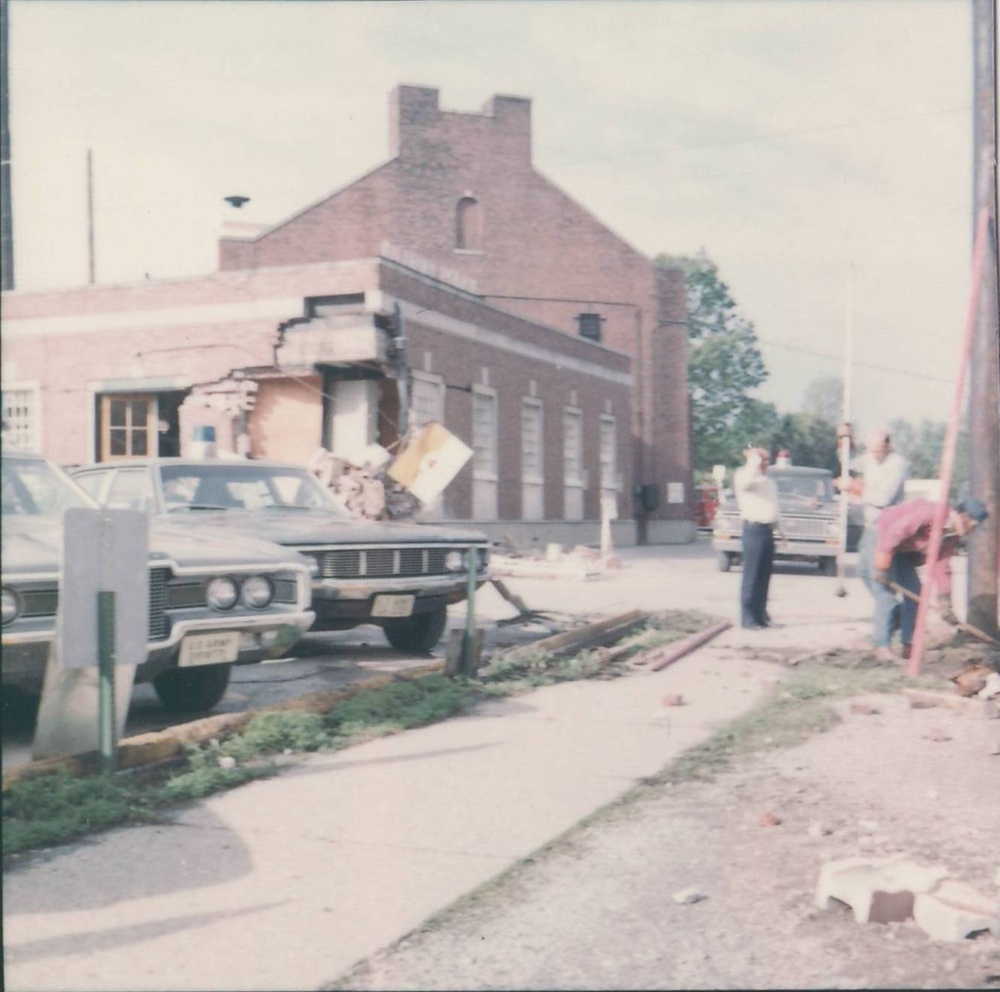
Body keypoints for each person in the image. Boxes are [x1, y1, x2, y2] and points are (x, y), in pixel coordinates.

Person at [873, 497, 989, 661]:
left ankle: (910, 647)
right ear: (964, 517)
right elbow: (896, 531)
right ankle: (881, 647)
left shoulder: (951, 535)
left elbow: (941, 566)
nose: (973, 530)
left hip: (901, 551)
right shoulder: (933, 513)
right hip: (880, 539)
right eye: (974, 525)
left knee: (916, 595)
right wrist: (881, 566)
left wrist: (945, 603)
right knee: (885, 595)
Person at [835, 428, 908, 651]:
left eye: (878, 450)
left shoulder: (897, 464)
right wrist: (844, 440)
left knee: (880, 585)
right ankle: (893, 613)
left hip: (887, 529)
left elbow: (883, 498)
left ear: (888, 446)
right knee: (865, 574)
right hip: (869, 528)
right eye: (871, 450)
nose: (874, 454)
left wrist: (854, 488)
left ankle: (881, 642)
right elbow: (848, 462)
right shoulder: (869, 459)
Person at [733, 445, 784, 630]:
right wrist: (753, 462)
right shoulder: (743, 476)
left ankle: (762, 616)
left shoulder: (768, 482)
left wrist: (780, 530)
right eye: (762, 460)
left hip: (767, 530)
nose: (765, 464)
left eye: (766, 460)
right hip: (753, 529)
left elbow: (773, 507)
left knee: (764, 577)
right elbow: (746, 484)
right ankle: (748, 619)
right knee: (752, 575)